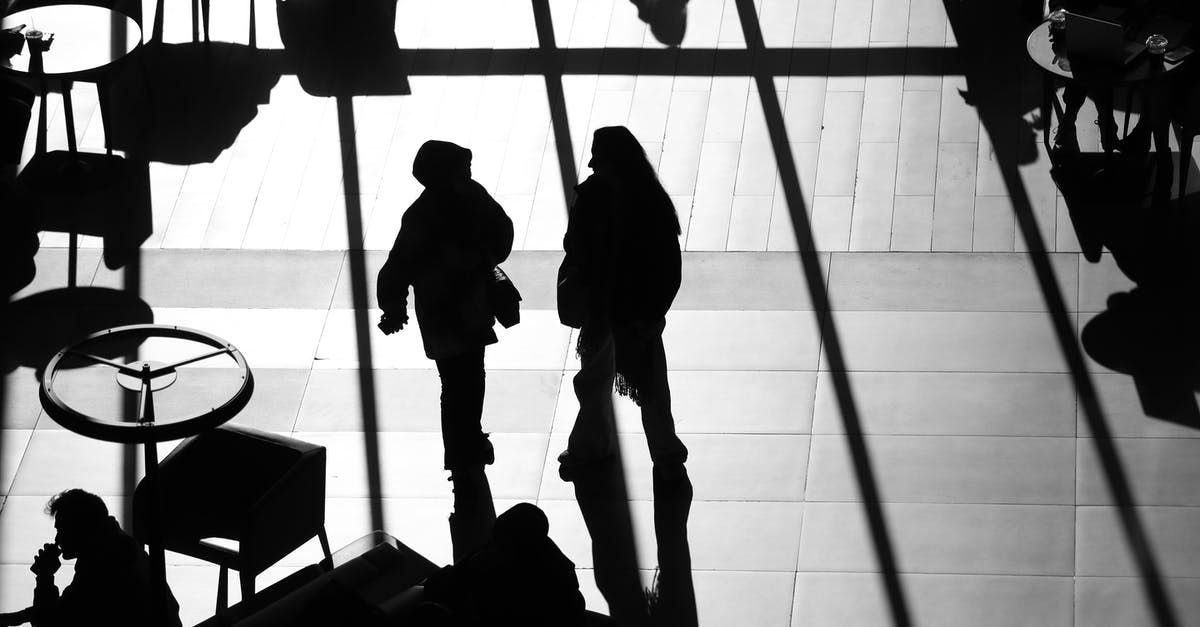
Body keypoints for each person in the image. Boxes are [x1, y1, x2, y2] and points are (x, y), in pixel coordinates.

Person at [557, 126, 688, 480]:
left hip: (602, 307)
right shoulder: (651, 201)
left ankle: (589, 446)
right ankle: (666, 452)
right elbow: (667, 265)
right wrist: (654, 311)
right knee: (652, 386)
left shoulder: (592, 197)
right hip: (639, 310)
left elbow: (575, 247)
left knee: (594, 382)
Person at [377, 140, 514, 476]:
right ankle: (465, 445)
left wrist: (394, 306)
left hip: (442, 309)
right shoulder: (465, 200)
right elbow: (502, 234)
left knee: (457, 381)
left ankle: (461, 448)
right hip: (458, 309)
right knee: (464, 380)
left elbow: (396, 268)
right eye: (462, 169)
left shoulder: (422, 214)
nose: (468, 174)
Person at [0, 489, 182, 627]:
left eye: (61, 530)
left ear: (80, 528)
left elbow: (52, 622)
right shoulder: (118, 544)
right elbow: (67, 609)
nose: (57, 539)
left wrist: (45, 577)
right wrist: (19, 617)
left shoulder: (100, 564)